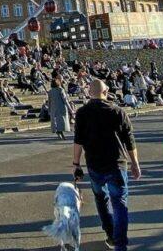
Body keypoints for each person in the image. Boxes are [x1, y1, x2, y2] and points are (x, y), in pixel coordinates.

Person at [72, 80, 141, 251]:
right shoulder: (118, 112)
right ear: (107, 91)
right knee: (119, 203)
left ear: (89, 92)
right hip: (117, 163)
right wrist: (135, 164)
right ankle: (120, 242)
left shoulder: (82, 113)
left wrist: (76, 164)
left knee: (101, 199)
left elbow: (78, 141)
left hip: (95, 165)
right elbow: (129, 141)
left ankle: (110, 233)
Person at [48, 75, 71, 140]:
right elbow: (65, 100)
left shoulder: (50, 91)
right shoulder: (61, 90)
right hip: (61, 108)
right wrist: (70, 109)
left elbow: (49, 101)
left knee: (56, 122)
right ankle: (61, 133)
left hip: (53, 108)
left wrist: (49, 110)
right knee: (61, 122)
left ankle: (59, 133)